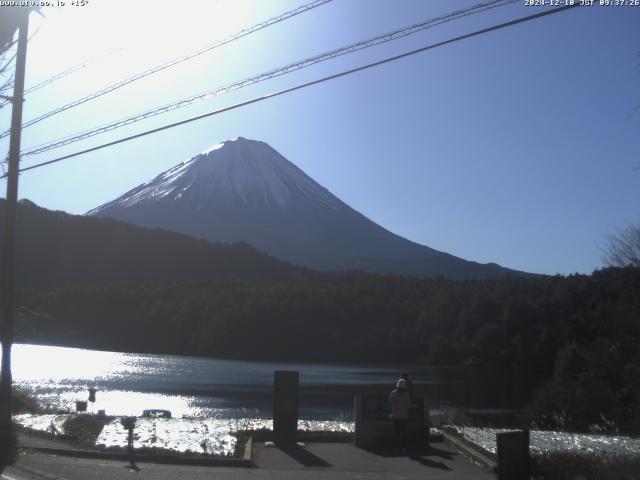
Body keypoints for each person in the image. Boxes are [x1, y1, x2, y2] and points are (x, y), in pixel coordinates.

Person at [388, 378, 411, 452]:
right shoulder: (406, 394)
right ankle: (404, 447)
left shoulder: (394, 393)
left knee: (396, 433)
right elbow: (409, 404)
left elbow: (389, 401)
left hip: (396, 416)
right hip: (404, 416)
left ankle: (396, 447)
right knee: (404, 433)